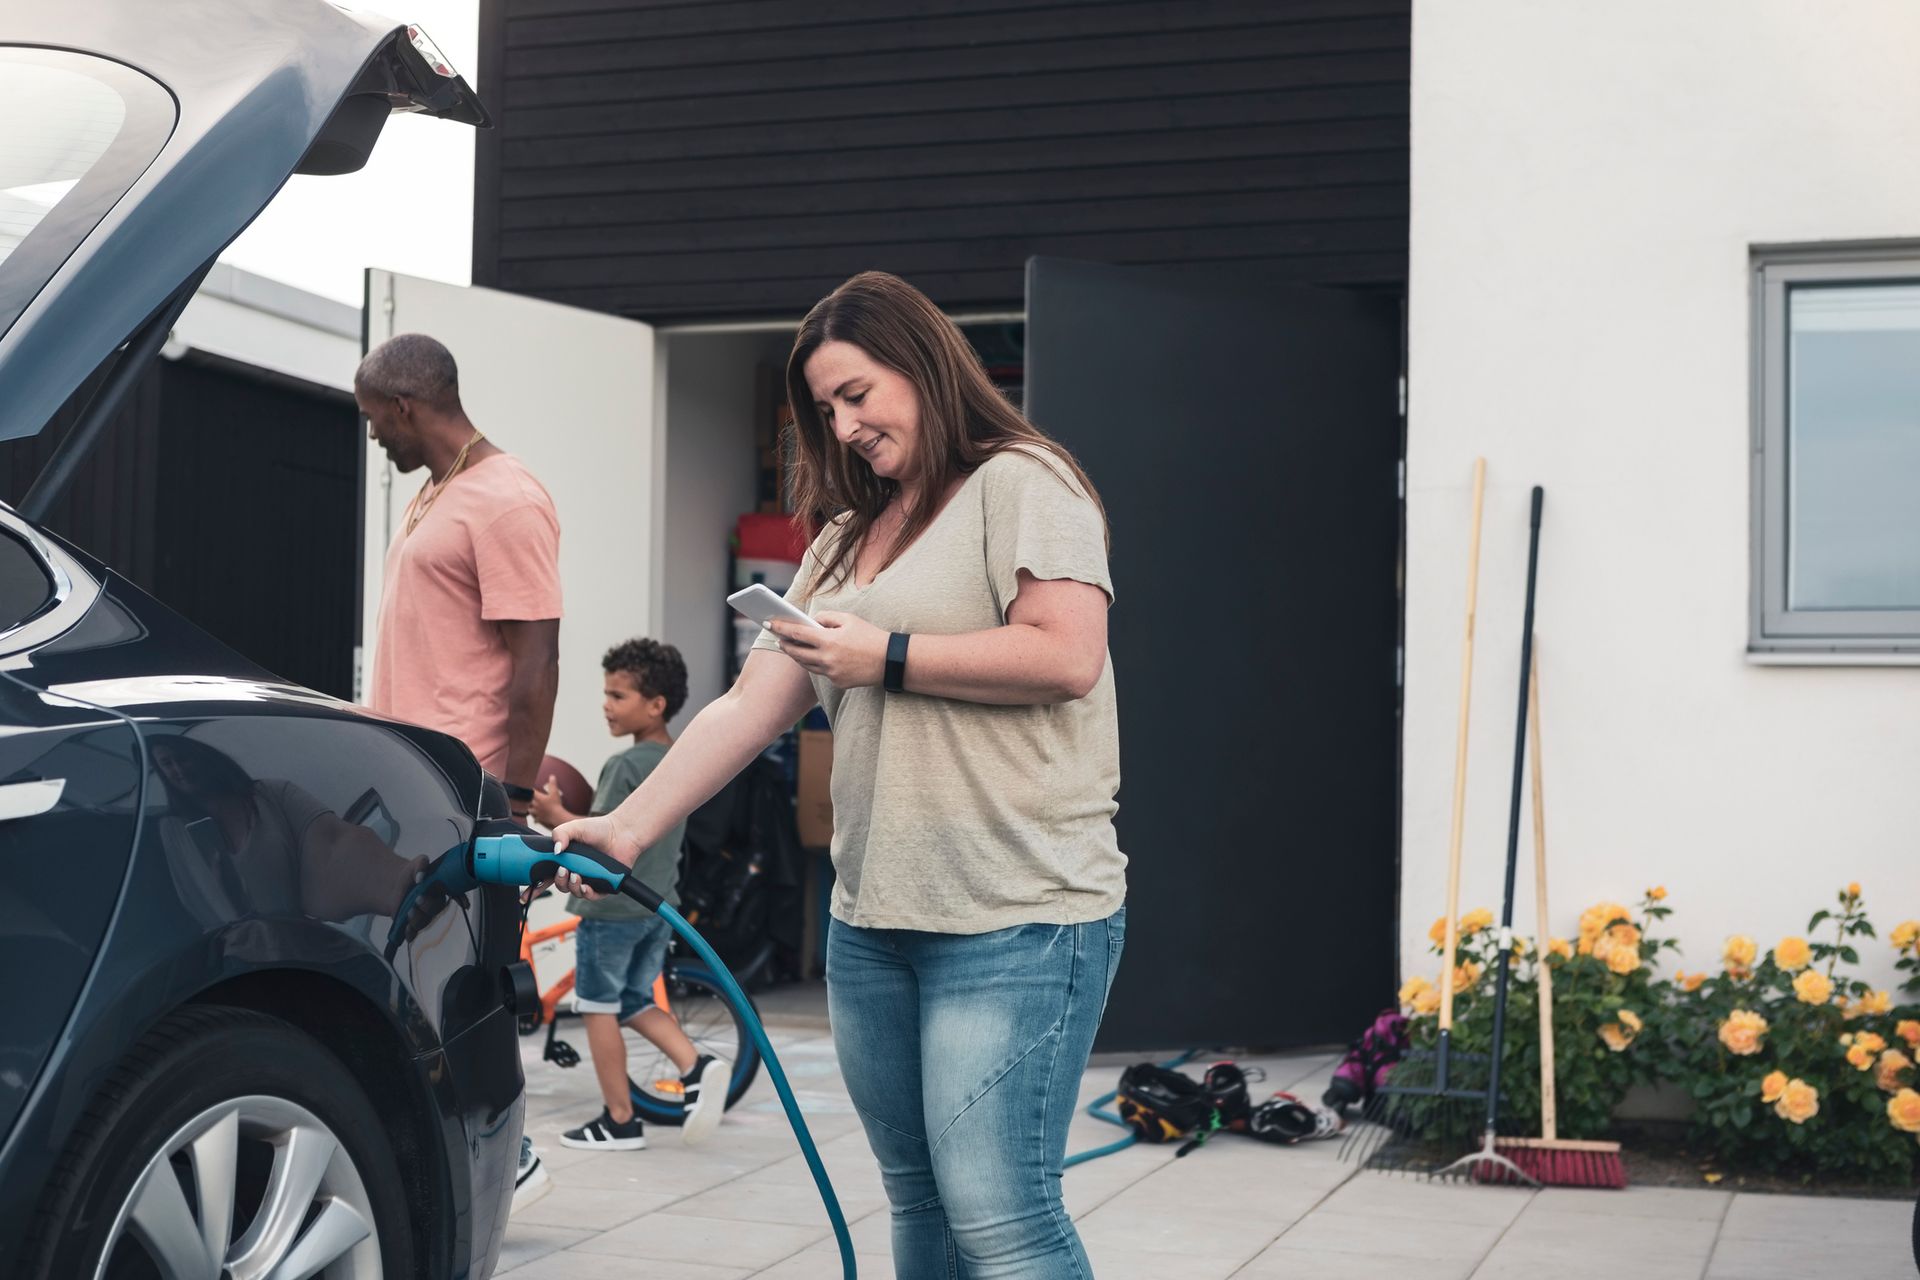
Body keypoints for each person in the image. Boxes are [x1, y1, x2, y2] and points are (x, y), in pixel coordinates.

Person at [549, 271, 1127, 1278]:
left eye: (859, 393)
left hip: (1019, 917)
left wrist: (886, 655)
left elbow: (1064, 653)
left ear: (924, 363)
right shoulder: (843, 540)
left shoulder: (1024, 481)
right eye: (826, 409)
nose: (846, 423)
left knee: (1000, 1214)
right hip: (876, 924)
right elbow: (747, 705)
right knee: (920, 1201)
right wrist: (627, 825)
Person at [355, 332, 562, 1210]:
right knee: (412, 976)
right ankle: (460, 1150)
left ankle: (504, 1152)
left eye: (374, 422)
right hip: (411, 780)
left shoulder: (506, 499)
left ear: (406, 407)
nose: (374, 441)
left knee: (464, 983)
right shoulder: (442, 491)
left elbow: (536, 662)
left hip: (464, 789)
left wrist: (509, 803)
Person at [530, 638, 729, 1149]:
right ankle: (695, 1063)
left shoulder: (625, 766)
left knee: (596, 1005)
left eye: (618, 696)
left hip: (611, 907)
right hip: (656, 904)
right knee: (636, 1000)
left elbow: (605, 834)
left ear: (655, 704)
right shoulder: (678, 759)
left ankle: (619, 1120)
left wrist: (556, 818)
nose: (606, 705)